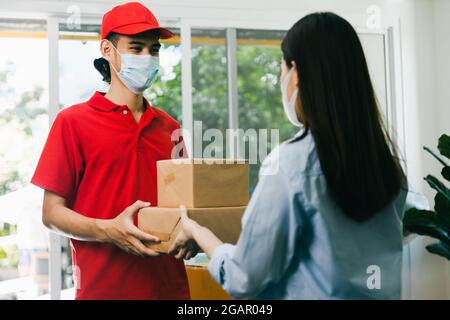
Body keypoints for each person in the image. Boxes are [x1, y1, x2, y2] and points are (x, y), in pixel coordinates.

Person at [170, 12, 408, 300]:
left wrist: (197, 232)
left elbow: (243, 277)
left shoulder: (291, 164)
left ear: (296, 72)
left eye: (281, 67)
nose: (280, 78)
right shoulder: (388, 166)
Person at [31, 2, 196, 300]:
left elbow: (183, 206)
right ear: (107, 50)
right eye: (136, 47)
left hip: (171, 292)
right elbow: (51, 213)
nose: (147, 57)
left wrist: (192, 231)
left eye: (154, 49)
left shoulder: (169, 126)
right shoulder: (73, 122)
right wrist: (107, 229)